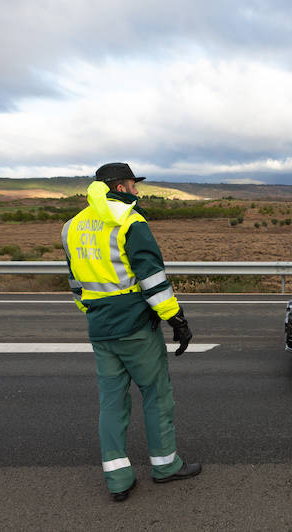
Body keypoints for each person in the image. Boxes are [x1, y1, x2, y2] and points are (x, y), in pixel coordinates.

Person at [61, 162, 200, 502]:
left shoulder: (72, 227)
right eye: (133, 186)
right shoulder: (130, 221)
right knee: (156, 395)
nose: (137, 191)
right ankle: (165, 466)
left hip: (100, 326)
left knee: (111, 402)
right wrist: (176, 319)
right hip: (135, 326)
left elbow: (76, 281)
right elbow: (153, 280)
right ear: (120, 188)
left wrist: (92, 310)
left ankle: (118, 480)